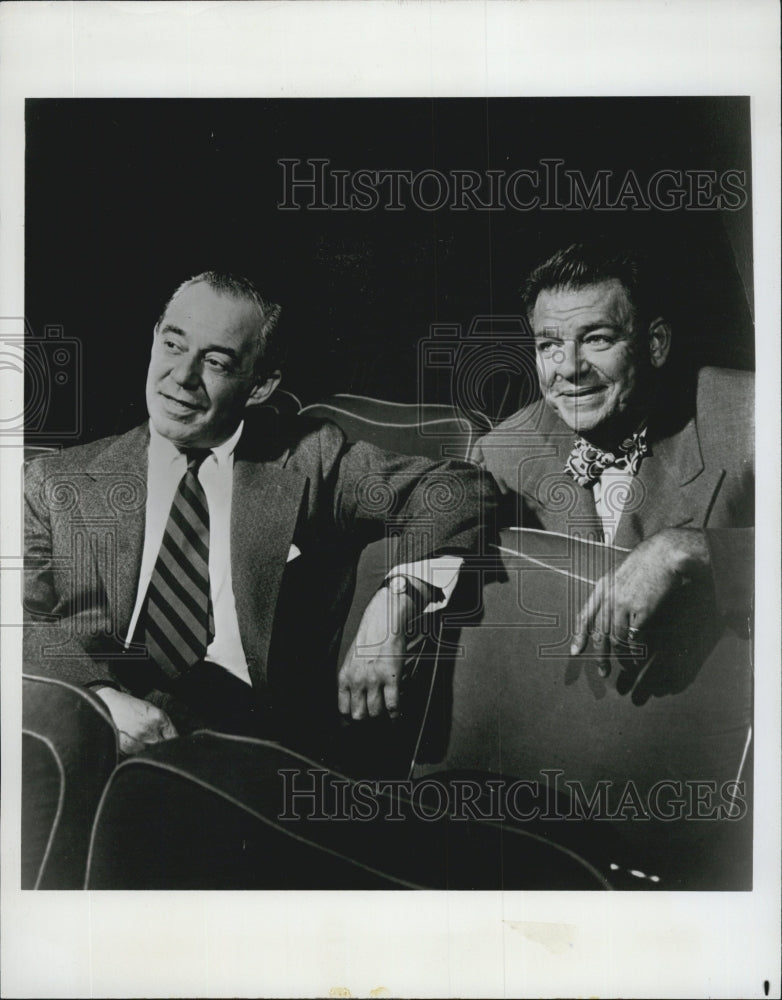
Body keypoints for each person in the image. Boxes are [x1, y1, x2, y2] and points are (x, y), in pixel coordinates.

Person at [24, 271, 496, 762]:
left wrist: (397, 601)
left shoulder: (310, 459)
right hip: (83, 724)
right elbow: (18, 619)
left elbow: (459, 488)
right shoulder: (55, 481)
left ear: (260, 385)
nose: (181, 377)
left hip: (242, 739)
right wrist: (97, 699)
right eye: (172, 344)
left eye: (216, 362)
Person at [471, 242, 753, 673]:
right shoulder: (503, 452)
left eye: (597, 339)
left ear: (655, 343)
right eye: (549, 346)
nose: (568, 368)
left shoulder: (749, 413)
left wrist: (692, 549)